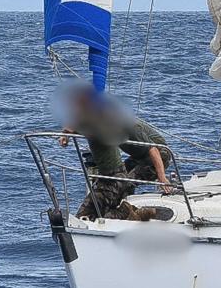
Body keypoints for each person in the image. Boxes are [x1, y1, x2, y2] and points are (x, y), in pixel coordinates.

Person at [59, 84, 155, 221]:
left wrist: (67, 132)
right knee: (94, 213)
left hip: (113, 179)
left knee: (87, 217)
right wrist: (66, 133)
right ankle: (132, 212)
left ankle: (126, 211)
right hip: (109, 177)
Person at [120, 118, 173, 195]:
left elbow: (153, 150)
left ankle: (124, 201)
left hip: (159, 154)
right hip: (140, 156)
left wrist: (162, 177)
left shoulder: (130, 127)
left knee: (127, 182)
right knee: (119, 176)